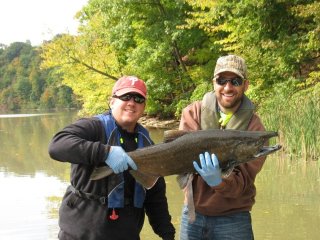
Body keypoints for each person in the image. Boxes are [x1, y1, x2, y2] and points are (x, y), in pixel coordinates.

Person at [48, 76, 175, 240]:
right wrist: (105, 152)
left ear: (144, 107)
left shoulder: (148, 143)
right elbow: (57, 145)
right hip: (79, 234)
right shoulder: (92, 126)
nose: (131, 102)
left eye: (138, 99)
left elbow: (155, 197)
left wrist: (168, 235)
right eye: (125, 97)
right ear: (112, 101)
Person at [179, 55, 267, 240]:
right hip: (193, 215)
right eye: (221, 80)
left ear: (246, 85)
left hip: (234, 218)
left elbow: (242, 183)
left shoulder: (255, 130)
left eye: (235, 81)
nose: (228, 87)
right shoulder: (192, 112)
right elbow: (179, 162)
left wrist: (218, 180)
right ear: (214, 83)